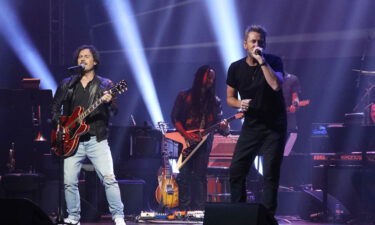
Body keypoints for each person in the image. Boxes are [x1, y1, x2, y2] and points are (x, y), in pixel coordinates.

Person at [51, 45, 126, 225]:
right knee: (69, 182)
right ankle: (73, 217)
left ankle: (118, 216)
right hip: (71, 141)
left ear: (95, 61)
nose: (82, 59)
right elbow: (54, 109)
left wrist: (108, 103)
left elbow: (115, 113)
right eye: (79, 57)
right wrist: (61, 126)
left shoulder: (106, 85)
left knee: (109, 179)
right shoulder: (67, 84)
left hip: (96, 138)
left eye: (86, 56)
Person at [226, 25, 286, 218]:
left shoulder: (274, 62)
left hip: (274, 127)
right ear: (245, 44)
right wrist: (239, 103)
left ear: (264, 44)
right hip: (252, 126)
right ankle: (239, 214)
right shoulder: (235, 68)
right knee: (236, 170)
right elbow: (230, 98)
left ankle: (267, 218)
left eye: (260, 42)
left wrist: (262, 61)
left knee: (270, 174)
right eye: (253, 41)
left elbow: (276, 85)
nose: (256, 45)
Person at [171, 65, 229, 210]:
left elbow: (220, 125)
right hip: (186, 141)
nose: (211, 80)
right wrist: (185, 134)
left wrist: (224, 127)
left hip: (204, 143)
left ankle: (199, 210)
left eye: (213, 78)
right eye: (208, 76)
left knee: (199, 176)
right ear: (200, 76)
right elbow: (175, 118)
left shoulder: (215, 101)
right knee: (183, 175)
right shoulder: (184, 96)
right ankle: (183, 210)